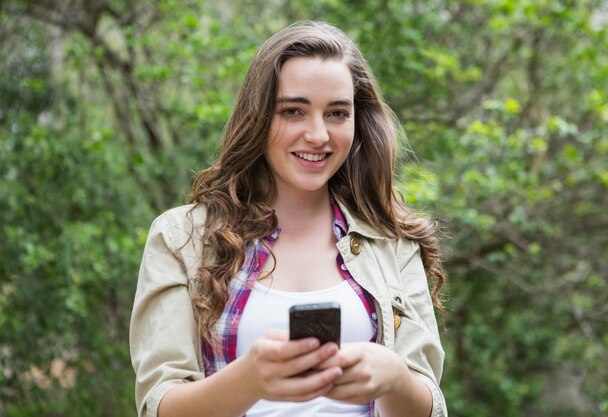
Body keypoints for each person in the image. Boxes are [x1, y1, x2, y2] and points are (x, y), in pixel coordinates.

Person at [130, 20, 447, 417]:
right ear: (259, 117)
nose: (318, 135)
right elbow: (159, 405)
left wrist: (395, 379)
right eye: (293, 111)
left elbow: (429, 406)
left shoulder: (394, 242)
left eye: (336, 113)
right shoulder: (181, 237)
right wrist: (248, 380)